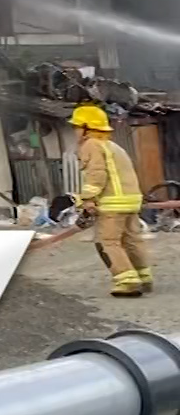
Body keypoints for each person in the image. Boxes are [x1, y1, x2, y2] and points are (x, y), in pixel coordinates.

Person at [71, 104, 149, 297]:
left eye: (77, 127)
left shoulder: (91, 145)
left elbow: (96, 173)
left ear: (87, 128)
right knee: (132, 240)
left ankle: (127, 281)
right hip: (131, 200)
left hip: (113, 202)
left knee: (109, 241)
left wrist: (88, 199)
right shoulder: (113, 146)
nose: (75, 131)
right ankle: (143, 276)